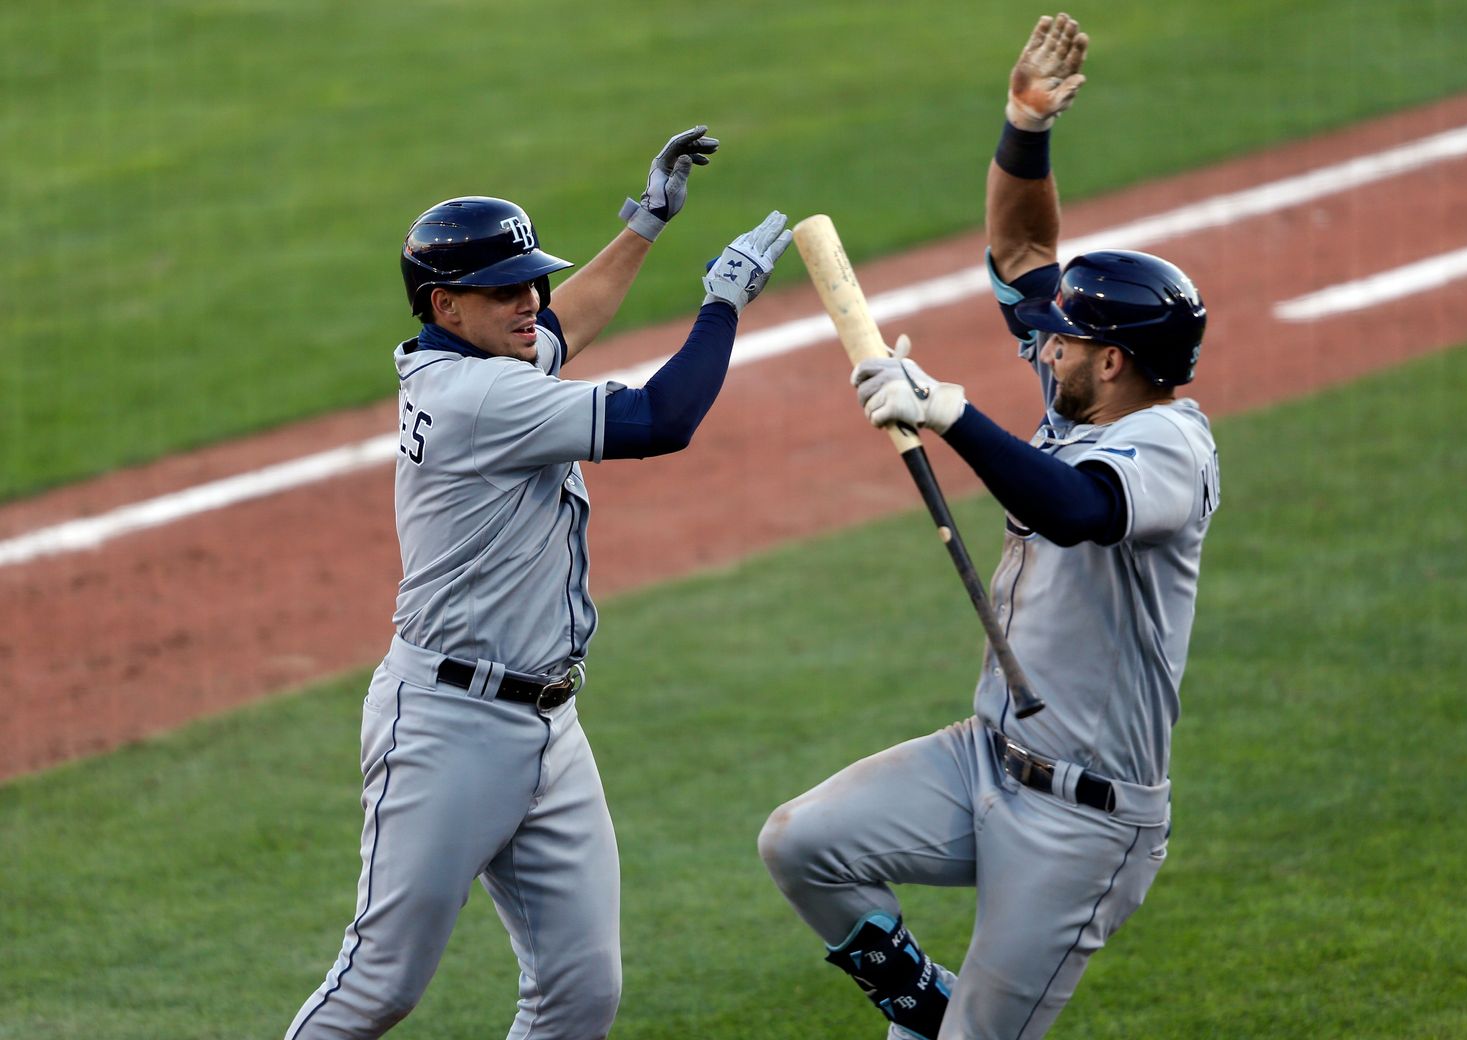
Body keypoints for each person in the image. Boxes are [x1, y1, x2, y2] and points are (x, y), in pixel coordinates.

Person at [758, 13, 1219, 1038]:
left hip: (1084, 822)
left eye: (1062, 338)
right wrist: (1024, 123)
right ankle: (922, 1006)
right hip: (986, 759)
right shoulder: (1085, 396)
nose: (1041, 341)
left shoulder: (1171, 451)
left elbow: (1077, 509)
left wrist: (949, 410)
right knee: (802, 842)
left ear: (1112, 359)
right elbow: (1022, 248)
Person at [285, 126, 791, 1039]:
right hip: (448, 727)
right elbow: (662, 419)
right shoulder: (482, 398)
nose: (530, 302)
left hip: (545, 725)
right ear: (445, 305)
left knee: (579, 991)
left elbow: (566, 324)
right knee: (379, 985)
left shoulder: (487, 360)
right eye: (503, 290)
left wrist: (646, 223)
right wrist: (722, 305)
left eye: (530, 280)